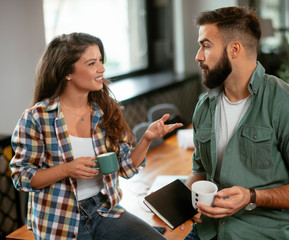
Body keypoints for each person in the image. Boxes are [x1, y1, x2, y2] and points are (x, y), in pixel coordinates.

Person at [10, 32, 182, 240]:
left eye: (101, 61)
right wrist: (66, 169)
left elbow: (126, 168)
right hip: (59, 220)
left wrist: (147, 138)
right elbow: (22, 177)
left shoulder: (105, 109)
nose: (101, 69)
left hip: (103, 210)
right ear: (67, 72)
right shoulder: (37, 118)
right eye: (92, 63)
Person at [182, 6, 289, 240]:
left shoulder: (288, 103)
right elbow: (199, 172)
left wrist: (252, 196)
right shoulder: (204, 106)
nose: (198, 56)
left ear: (234, 49)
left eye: (206, 45)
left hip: (263, 233)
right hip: (209, 231)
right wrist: (182, 205)